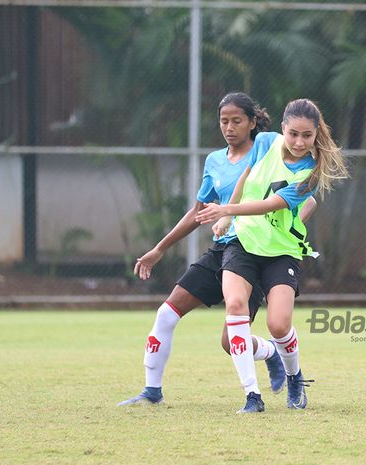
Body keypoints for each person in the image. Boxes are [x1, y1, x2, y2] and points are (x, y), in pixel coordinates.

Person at [118, 92, 316, 406]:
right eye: (224, 121)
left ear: (253, 123)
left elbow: (306, 200)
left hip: (259, 251)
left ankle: (274, 360)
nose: (229, 127)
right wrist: (159, 248)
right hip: (224, 250)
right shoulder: (215, 161)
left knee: (231, 340)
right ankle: (152, 391)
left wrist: (287, 233)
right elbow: (199, 211)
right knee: (167, 313)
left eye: (236, 121)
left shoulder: (273, 150)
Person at [196, 98, 349, 413]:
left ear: (316, 134)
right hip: (242, 243)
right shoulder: (264, 142)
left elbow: (269, 205)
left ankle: (294, 376)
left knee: (279, 326)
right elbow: (246, 176)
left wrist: (227, 208)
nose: (299, 142)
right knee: (235, 307)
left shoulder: (310, 173)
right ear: (283, 129)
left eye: (307, 136)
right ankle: (252, 396)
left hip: (280, 252)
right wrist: (227, 219)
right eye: (293, 134)